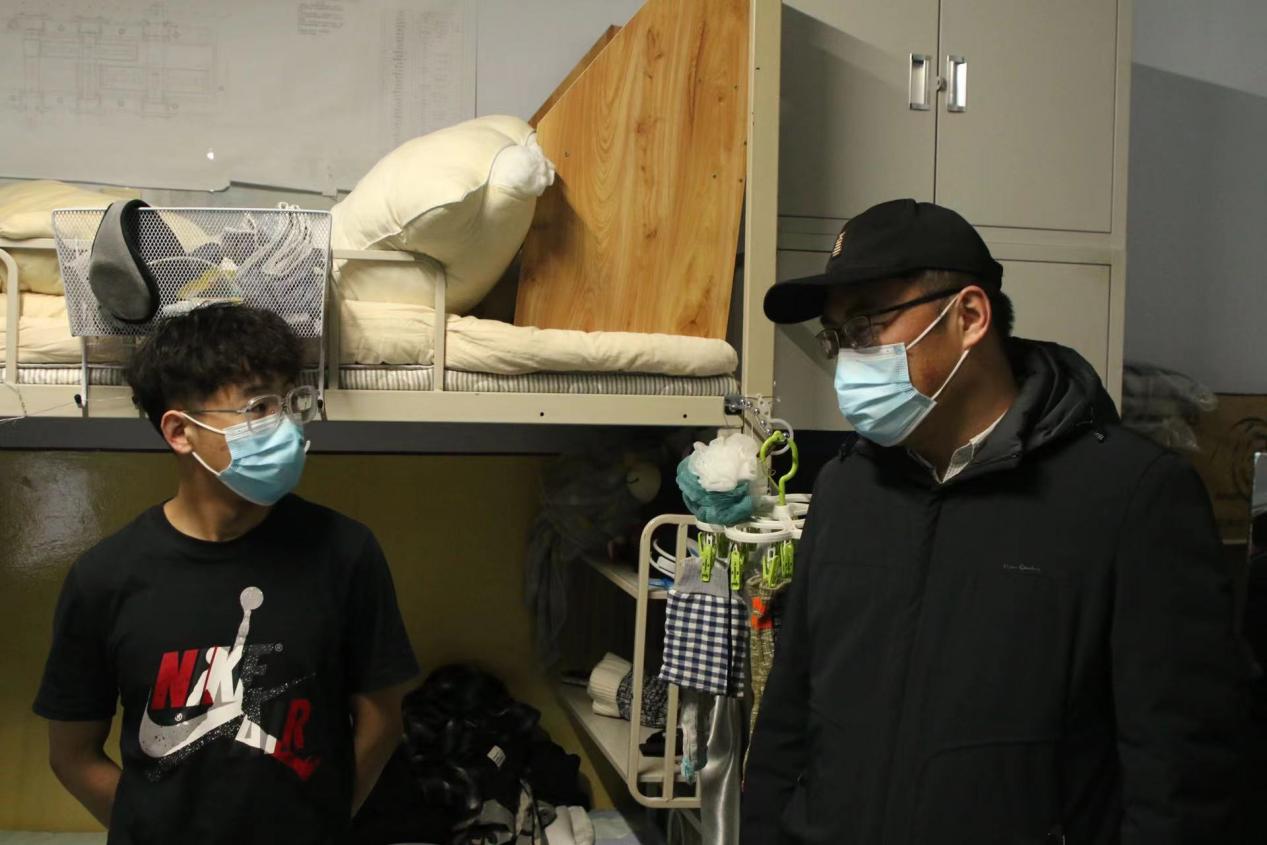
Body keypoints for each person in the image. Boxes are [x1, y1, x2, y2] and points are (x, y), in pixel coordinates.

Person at [741, 199, 1253, 843]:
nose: (848, 359)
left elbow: (1181, 775)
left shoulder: (1131, 497)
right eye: (836, 337)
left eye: (867, 325)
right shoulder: (846, 490)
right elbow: (788, 716)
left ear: (970, 317)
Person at [34, 304, 419, 844]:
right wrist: (154, 828)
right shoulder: (105, 577)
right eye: (258, 407)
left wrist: (324, 822)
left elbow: (382, 721)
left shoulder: (346, 553)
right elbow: (71, 755)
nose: (283, 424)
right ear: (180, 431)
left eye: (288, 403)